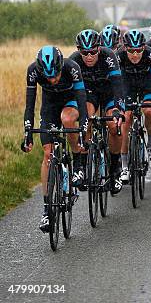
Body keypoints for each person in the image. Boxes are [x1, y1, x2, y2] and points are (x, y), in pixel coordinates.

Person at [22, 46, 88, 232]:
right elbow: (30, 104)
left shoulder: (72, 67)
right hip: (49, 106)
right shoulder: (33, 71)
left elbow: (82, 99)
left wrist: (83, 124)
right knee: (48, 154)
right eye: (48, 77)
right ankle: (46, 209)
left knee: (67, 120)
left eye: (56, 75)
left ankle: (79, 163)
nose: (52, 80)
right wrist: (27, 131)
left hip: (71, 101)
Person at [69, 30, 125, 194]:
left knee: (114, 126)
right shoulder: (74, 60)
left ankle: (115, 171)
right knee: (86, 120)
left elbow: (118, 85)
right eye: (84, 52)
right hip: (88, 94)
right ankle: (84, 167)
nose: (89, 56)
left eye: (93, 52)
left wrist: (119, 110)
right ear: (79, 50)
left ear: (99, 49)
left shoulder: (109, 56)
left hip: (109, 93)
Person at [117, 29, 151, 180]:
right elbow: (115, 81)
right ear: (125, 48)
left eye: (138, 50)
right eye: (131, 50)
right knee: (126, 118)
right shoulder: (119, 55)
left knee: (149, 111)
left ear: (144, 47)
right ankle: (124, 165)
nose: (135, 54)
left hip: (146, 85)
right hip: (127, 86)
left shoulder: (150, 53)